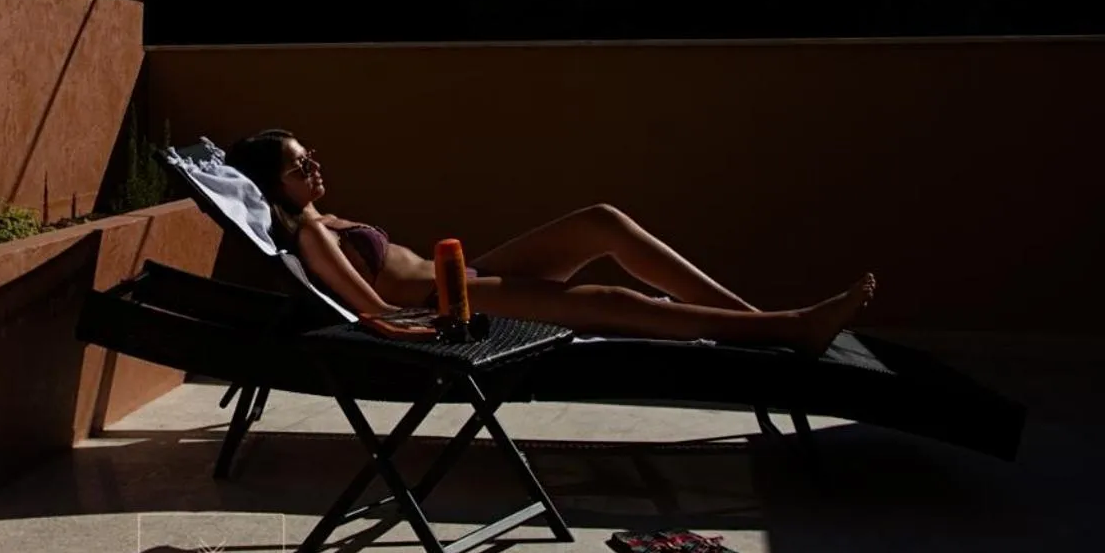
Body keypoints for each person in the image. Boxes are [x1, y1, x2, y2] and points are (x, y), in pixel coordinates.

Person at [226, 129, 875, 354]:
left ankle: (752, 320)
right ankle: (789, 329)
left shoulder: (324, 218)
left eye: (311, 155)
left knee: (602, 221)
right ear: (272, 186)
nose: (314, 168)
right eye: (298, 166)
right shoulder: (311, 235)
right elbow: (371, 308)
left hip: (465, 276)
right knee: (605, 300)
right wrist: (430, 331)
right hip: (454, 305)